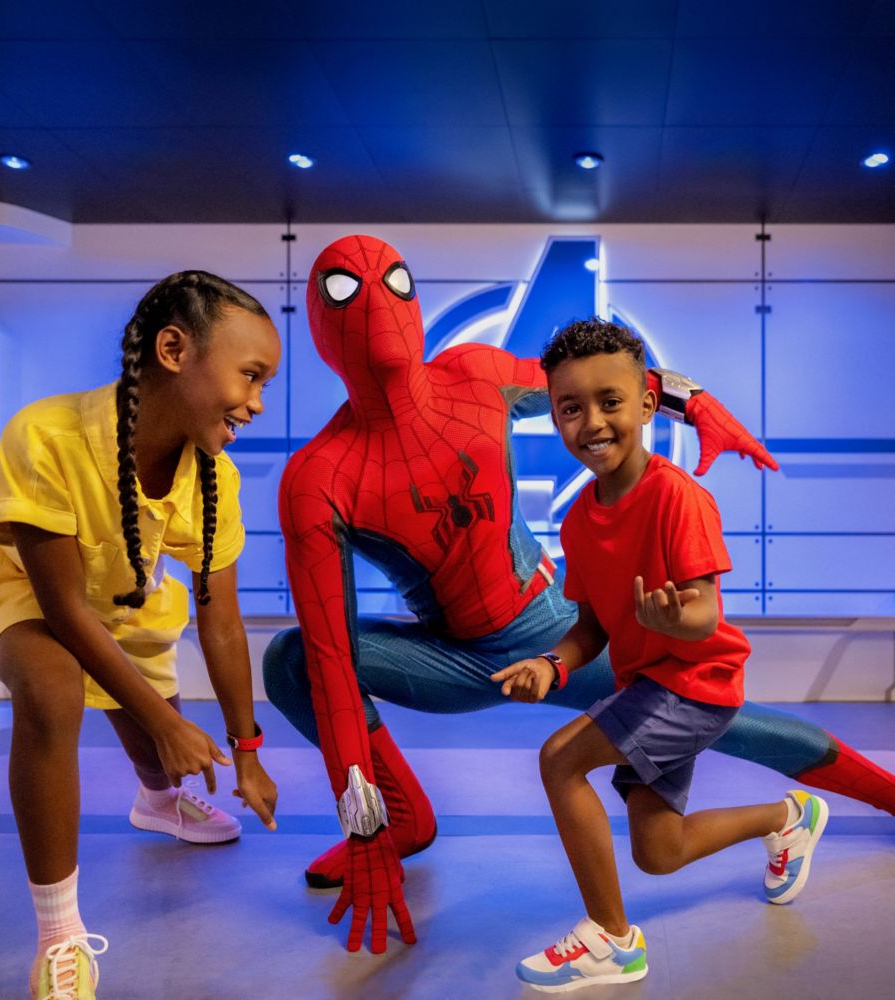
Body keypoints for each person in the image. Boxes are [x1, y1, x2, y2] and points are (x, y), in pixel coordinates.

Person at [263, 234, 894, 955]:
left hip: (552, 630)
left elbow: (596, 377)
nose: (378, 307)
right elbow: (333, 658)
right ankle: (408, 819)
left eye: (395, 283)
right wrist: (367, 824)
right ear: (318, 319)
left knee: (732, 722)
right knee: (292, 660)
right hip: (449, 658)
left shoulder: (474, 378)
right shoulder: (318, 477)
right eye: (346, 291)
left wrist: (697, 402)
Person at [0, 271, 281, 1000]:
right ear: (175, 349)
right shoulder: (46, 434)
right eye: (250, 375)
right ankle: (60, 938)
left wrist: (247, 752)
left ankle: (158, 802)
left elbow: (222, 621)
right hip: (33, 601)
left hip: (127, 607)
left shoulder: (215, 478)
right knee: (54, 690)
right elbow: (65, 610)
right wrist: (168, 718)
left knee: (157, 752)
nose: (257, 401)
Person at [493, 320, 828, 992]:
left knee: (560, 761)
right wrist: (552, 664)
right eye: (570, 408)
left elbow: (705, 612)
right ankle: (790, 818)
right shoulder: (578, 520)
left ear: (647, 402)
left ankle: (613, 942)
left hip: (696, 684)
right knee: (659, 852)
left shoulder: (679, 497)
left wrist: (676, 618)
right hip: (649, 683)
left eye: (610, 401)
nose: (592, 422)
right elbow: (589, 629)